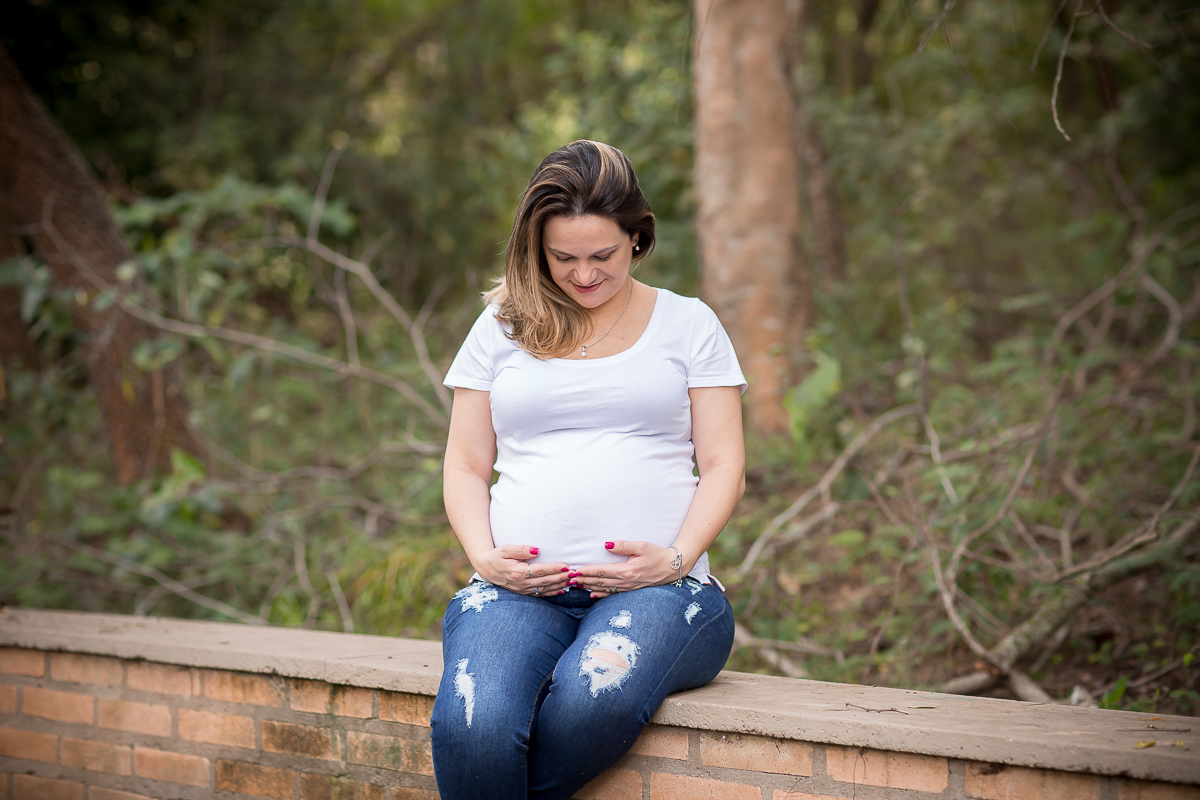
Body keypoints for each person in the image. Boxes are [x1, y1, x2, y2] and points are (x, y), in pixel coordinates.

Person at [432, 139, 746, 800]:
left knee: (590, 700)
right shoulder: (501, 328)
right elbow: (464, 464)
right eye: (562, 257)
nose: (582, 275)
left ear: (637, 236)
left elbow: (722, 465)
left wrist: (675, 558)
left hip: (664, 594)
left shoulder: (690, 325)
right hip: (518, 593)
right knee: (472, 724)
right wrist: (483, 557)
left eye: (601, 255)